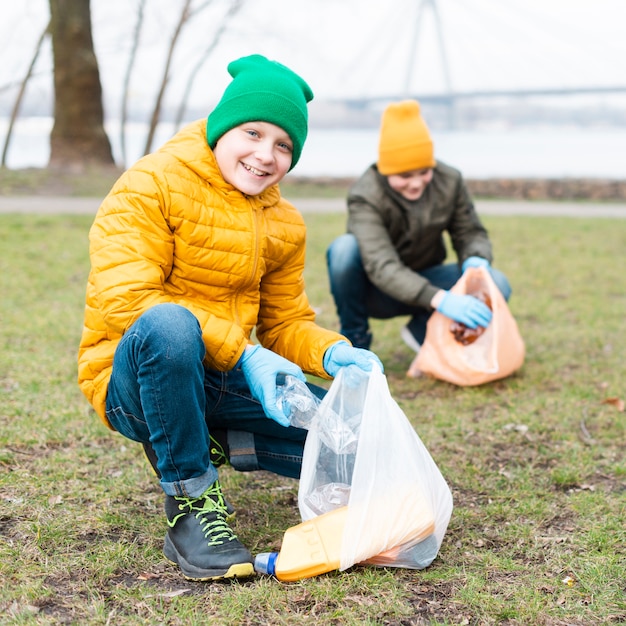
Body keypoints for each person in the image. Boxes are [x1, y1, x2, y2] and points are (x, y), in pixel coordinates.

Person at [77, 54, 381, 583]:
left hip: (223, 377)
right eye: (252, 133)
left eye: (283, 145)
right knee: (170, 324)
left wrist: (332, 352)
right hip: (137, 381)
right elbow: (127, 299)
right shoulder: (149, 184)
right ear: (221, 129)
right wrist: (245, 352)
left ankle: (216, 440)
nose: (265, 155)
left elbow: (285, 323)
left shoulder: (284, 222)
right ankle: (191, 506)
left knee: (352, 441)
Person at [326, 99, 511, 366]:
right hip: (378, 291)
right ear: (387, 169)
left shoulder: (450, 180)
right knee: (344, 249)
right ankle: (356, 339)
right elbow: (381, 264)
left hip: (430, 280)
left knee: (496, 282)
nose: (416, 183)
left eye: (424, 172)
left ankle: (422, 329)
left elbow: (469, 232)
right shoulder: (364, 195)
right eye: (404, 175)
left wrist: (476, 259)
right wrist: (441, 299)